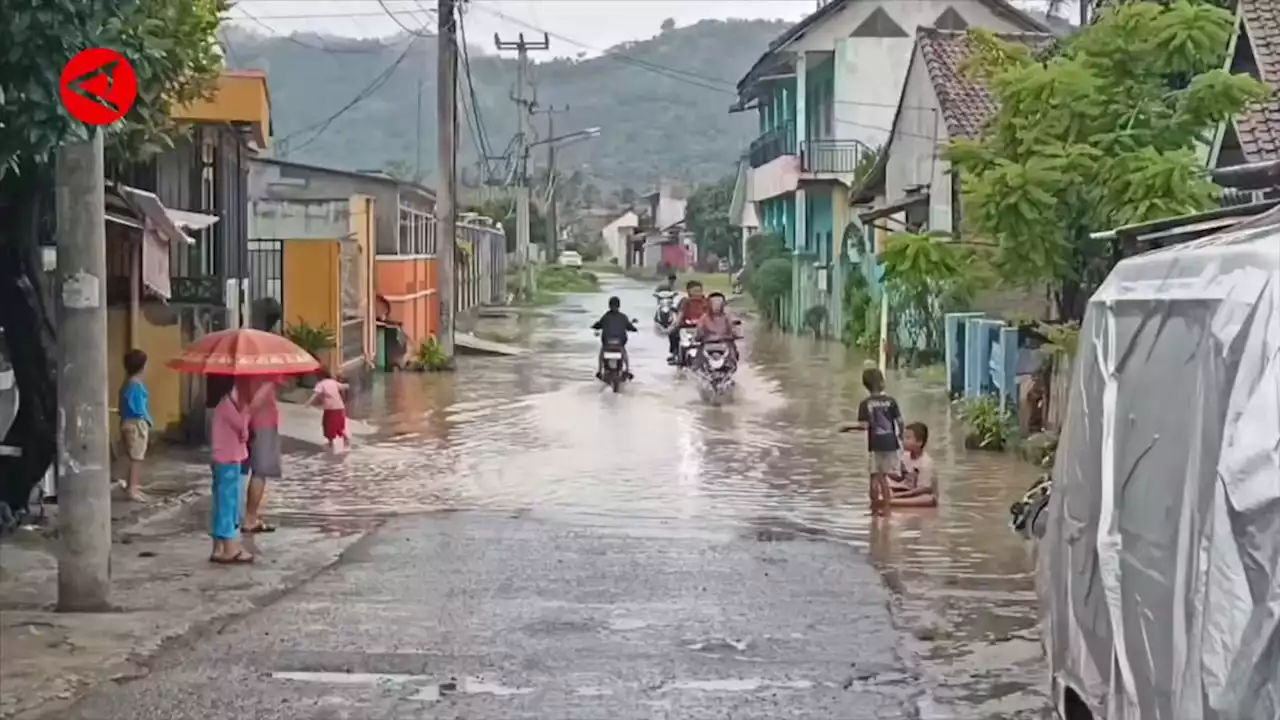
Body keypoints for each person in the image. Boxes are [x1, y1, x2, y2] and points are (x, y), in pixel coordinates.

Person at [838, 367, 904, 515]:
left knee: (876, 478)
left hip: (876, 445)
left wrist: (847, 427)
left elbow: (864, 426)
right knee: (883, 477)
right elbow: (900, 422)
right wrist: (901, 437)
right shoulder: (891, 401)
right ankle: (883, 510)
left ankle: (878, 510)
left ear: (865, 385)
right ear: (881, 382)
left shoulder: (865, 404)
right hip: (891, 444)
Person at [209, 382, 255, 564]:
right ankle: (230, 548)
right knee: (229, 504)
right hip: (229, 460)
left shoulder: (223, 405)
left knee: (221, 503)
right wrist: (248, 410)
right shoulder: (228, 407)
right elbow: (243, 432)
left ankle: (218, 547)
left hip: (221, 459)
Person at [241, 375, 282, 534]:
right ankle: (250, 519)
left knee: (237, 469)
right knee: (260, 471)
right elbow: (264, 391)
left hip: (236, 418)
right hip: (263, 421)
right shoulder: (270, 360)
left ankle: (235, 516)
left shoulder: (239, 358)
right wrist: (248, 414)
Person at [117, 349, 153, 503]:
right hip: (136, 423)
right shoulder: (136, 385)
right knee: (137, 458)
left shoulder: (127, 383)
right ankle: (133, 489)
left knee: (133, 457)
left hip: (126, 422)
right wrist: (147, 419)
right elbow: (138, 407)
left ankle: (133, 486)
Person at [889, 422, 937, 508]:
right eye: (904, 438)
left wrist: (899, 495)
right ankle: (891, 501)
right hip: (906, 490)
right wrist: (885, 472)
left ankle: (892, 501)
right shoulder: (905, 456)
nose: (904, 441)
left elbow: (924, 489)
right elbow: (900, 477)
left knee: (928, 499)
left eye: (908, 438)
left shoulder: (926, 462)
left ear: (919, 442)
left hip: (919, 494)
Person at [591, 296, 637, 378]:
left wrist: (593, 326)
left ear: (609, 306)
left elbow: (598, 324)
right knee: (624, 352)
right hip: (619, 344)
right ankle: (627, 369)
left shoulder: (606, 316)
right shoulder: (623, 317)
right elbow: (630, 327)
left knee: (602, 353)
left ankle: (599, 370)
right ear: (619, 306)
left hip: (607, 344)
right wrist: (634, 329)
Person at [693, 292, 741, 365]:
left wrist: (736, 334)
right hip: (708, 343)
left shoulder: (727, 317)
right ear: (709, 304)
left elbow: (733, 329)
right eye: (714, 303)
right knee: (698, 361)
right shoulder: (704, 318)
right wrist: (698, 336)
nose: (717, 306)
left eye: (719, 303)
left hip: (725, 342)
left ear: (723, 304)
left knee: (733, 355)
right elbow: (699, 331)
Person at [308, 369, 350, 451]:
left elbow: (315, 395)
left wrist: (308, 403)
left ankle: (331, 443)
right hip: (339, 407)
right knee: (339, 425)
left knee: (328, 425)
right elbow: (344, 386)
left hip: (330, 409)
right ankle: (346, 440)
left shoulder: (321, 384)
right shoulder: (333, 382)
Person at [668, 280, 709, 361]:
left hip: (703, 327)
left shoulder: (706, 301)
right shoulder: (685, 301)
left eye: (699, 291)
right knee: (672, 333)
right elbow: (681, 312)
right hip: (686, 326)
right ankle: (675, 353)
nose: (697, 293)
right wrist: (677, 323)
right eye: (695, 291)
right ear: (689, 291)